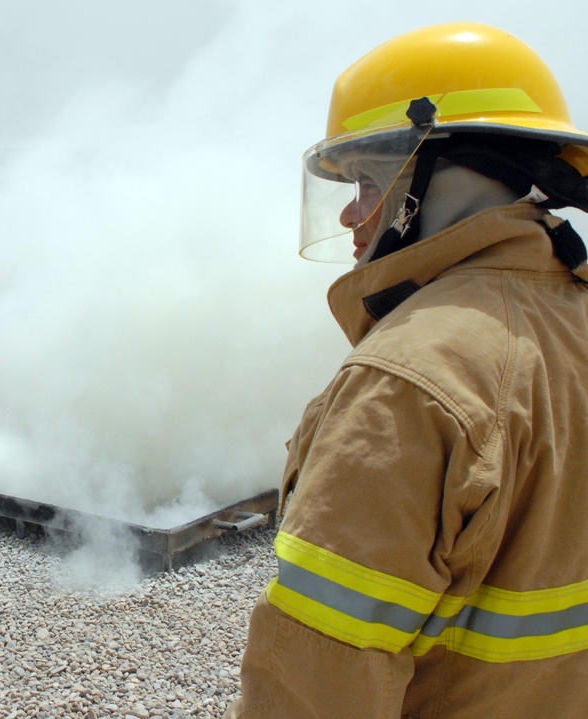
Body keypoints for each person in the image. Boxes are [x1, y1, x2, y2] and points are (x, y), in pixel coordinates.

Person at [223, 22, 588, 718]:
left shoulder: (407, 382)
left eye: (366, 180)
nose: (353, 214)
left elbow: (318, 682)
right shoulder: (573, 319)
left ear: (438, 176)